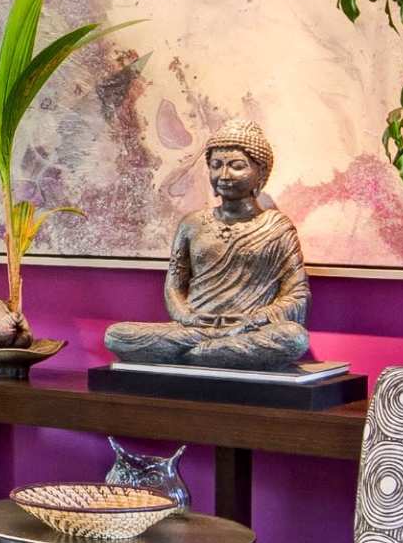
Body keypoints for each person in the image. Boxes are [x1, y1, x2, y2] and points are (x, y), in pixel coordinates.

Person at [103, 128, 311, 368]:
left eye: (236, 165)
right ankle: (210, 353)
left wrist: (251, 321)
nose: (224, 174)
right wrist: (186, 316)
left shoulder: (277, 227)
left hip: (248, 329)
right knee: (117, 335)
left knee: (293, 338)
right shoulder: (192, 224)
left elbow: (297, 296)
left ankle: (198, 354)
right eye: (216, 165)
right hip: (194, 329)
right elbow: (174, 285)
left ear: (260, 172)